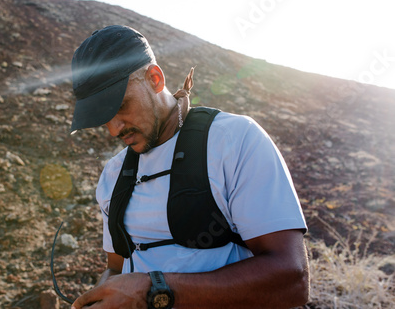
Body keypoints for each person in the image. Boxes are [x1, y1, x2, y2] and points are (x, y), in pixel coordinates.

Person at [69, 25, 309, 309]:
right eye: (101, 117)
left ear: (155, 79)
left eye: (120, 106)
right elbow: (117, 268)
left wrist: (153, 292)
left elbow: (292, 280)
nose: (113, 129)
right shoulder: (113, 174)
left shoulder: (235, 140)